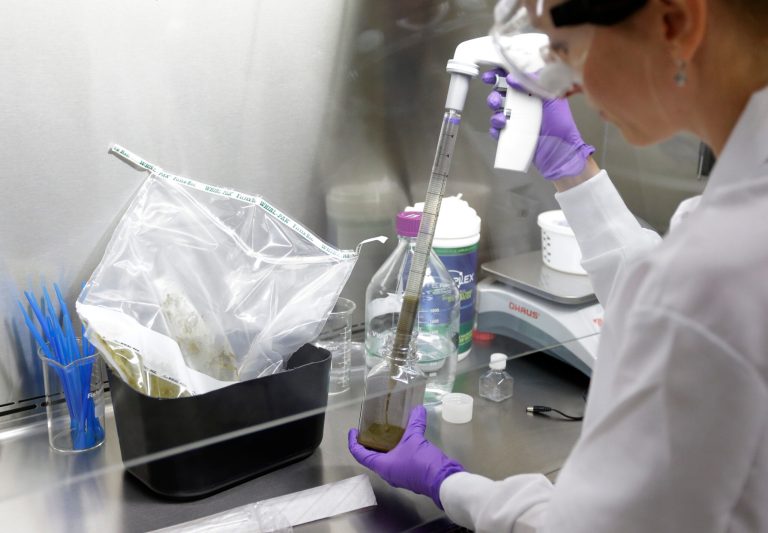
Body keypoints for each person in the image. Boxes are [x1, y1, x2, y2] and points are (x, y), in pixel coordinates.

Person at [348, 0, 768, 530]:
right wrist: (576, 172)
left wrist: (448, 483)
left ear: (676, 23)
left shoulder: (714, 272)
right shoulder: (740, 213)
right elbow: (667, 297)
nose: (562, 82)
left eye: (565, 49)